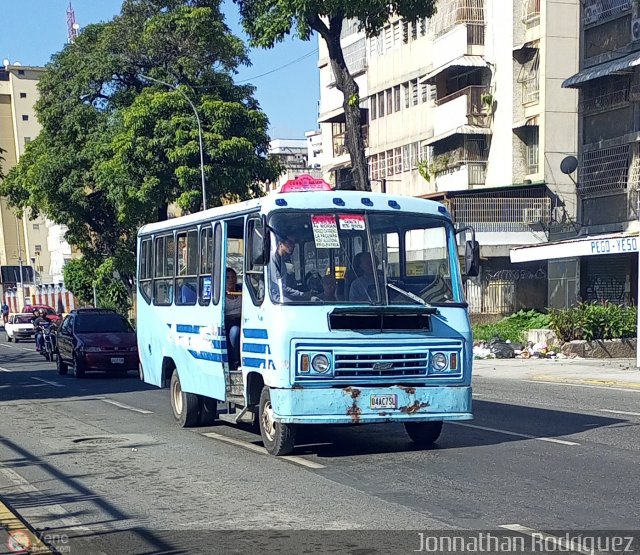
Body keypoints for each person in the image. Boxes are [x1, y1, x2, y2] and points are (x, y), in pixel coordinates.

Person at [269, 235, 319, 302]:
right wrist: (301, 294)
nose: (293, 246)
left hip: (282, 294)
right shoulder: (271, 260)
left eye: (294, 243)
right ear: (280, 243)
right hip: (274, 297)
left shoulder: (282, 262)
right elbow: (282, 287)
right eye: (289, 242)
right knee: (291, 305)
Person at [225, 268, 242, 369]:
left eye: (233, 277)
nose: (231, 280)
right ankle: (235, 363)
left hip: (243, 320)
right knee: (235, 332)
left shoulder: (242, 290)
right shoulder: (221, 295)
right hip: (228, 323)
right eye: (227, 278)